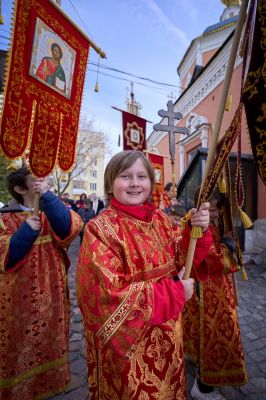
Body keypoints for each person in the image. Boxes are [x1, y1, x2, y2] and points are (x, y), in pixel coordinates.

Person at [77, 150, 213, 400]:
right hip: (129, 349)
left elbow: (181, 259)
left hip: (168, 334)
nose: (134, 183)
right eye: (125, 176)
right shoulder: (100, 230)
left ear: (151, 182)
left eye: (142, 176)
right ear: (110, 183)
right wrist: (174, 293)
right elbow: (105, 297)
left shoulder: (160, 219)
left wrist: (196, 231)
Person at [0, 167, 83, 399]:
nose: (41, 182)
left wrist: (47, 196)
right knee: (19, 344)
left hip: (53, 291)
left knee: (51, 336)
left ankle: (53, 381)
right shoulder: (5, 218)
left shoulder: (50, 212)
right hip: (18, 296)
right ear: (19, 188)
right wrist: (25, 232)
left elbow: (71, 228)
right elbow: (5, 256)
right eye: (34, 180)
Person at [183, 189, 248, 400]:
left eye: (218, 208)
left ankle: (198, 367)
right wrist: (229, 249)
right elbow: (215, 260)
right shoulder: (198, 227)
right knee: (211, 337)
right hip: (207, 295)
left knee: (202, 337)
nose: (217, 213)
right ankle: (203, 387)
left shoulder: (210, 223)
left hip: (213, 291)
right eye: (212, 208)